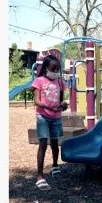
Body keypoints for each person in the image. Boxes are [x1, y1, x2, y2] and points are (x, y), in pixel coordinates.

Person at [31, 55, 68, 191]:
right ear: (46, 68)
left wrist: (63, 105)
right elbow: (36, 101)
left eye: (58, 69)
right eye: (53, 68)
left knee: (54, 143)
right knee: (43, 143)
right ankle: (40, 175)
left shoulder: (59, 82)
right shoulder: (39, 81)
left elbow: (61, 100)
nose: (56, 71)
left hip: (56, 117)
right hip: (43, 116)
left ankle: (55, 165)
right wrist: (49, 107)